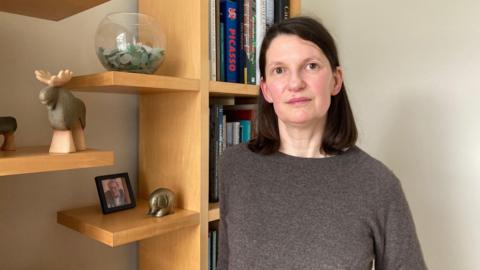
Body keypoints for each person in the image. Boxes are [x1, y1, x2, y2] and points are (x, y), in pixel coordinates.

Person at [218, 16, 427, 270]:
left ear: (336, 80)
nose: (295, 83)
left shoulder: (378, 184)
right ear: (266, 90)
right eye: (279, 70)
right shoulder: (235, 167)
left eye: (311, 66)